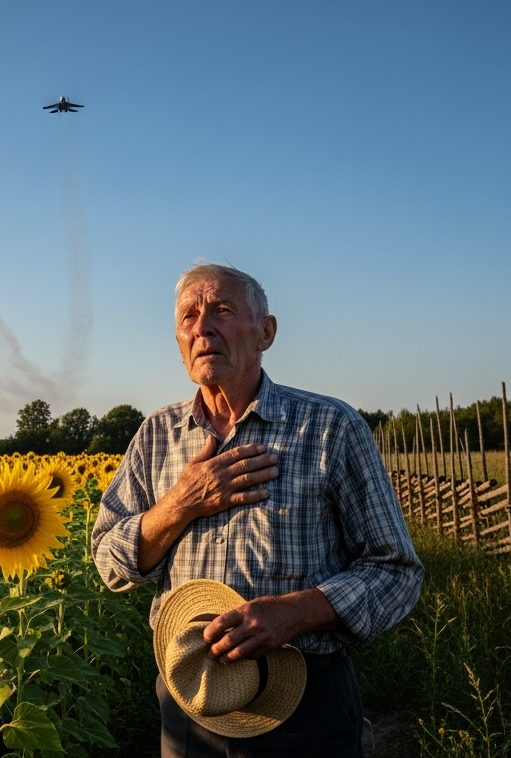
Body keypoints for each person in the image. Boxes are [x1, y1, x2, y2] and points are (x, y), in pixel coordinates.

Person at [91, 262, 423, 757]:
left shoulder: (330, 427)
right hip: (190, 702)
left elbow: (396, 571)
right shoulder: (155, 436)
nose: (202, 327)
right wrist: (179, 505)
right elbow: (108, 560)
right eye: (188, 317)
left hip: (306, 708)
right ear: (178, 339)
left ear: (266, 332)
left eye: (222, 310)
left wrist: (296, 613)